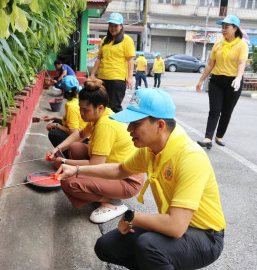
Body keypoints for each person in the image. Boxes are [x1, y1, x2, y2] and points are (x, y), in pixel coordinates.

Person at [57, 88, 226, 269]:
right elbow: (120, 169)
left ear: (160, 126)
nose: (129, 129)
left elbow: (176, 226)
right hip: (174, 224)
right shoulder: (150, 149)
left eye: (135, 124)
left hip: (205, 236)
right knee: (105, 247)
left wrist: (132, 217)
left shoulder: (190, 157)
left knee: (149, 246)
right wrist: (76, 170)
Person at [47, 79, 144, 223]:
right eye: (80, 108)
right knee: (75, 147)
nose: (81, 113)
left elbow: (95, 163)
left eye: (85, 110)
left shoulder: (105, 124)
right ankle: (98, 190)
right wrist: (58, 149)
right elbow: (79, 135)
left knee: (69, 183)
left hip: (126, 180)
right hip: (112, 168)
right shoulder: (103, 114)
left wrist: (64, 161)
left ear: (99, 107)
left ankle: (113, 202)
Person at [196, 15, 248, 149]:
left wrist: (238, 77)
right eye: (223, 27)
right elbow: (210, 64)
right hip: (217, 80)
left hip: (233, 81)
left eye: (227, 27)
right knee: (215, 109)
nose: (224, 30)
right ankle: (208, 138)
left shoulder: (242, 45)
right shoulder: (218, 44)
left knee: (227, 111)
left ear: (235, 28)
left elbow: (242, 62)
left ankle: (219, 136)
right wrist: (201, 80)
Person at [89, 12, 135, 113]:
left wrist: (130, 77)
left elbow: (130, 60)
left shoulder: (127, 40)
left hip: (117, 79)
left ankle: (121, 128)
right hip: (102, 77)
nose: (113, 28)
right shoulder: (105, 40)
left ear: (121, 26)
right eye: (111, 25)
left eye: (115, 26)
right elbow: (99, 59)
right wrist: (93, 74)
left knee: (114, 107)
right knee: (103, 106)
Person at [42, 76, 87, 158]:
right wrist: (54, 117)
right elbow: (70, 120)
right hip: (83, 133)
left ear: (64, 91)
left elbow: (74, 133)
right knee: (56, 122)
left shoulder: (71, 106)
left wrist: (56, 125)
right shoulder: (77, 99)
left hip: (83, 140)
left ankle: (67, 156)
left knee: (53, 133)